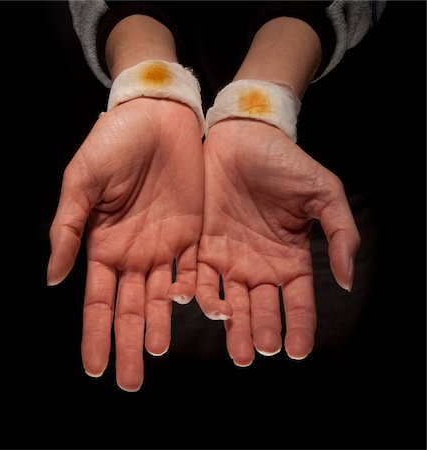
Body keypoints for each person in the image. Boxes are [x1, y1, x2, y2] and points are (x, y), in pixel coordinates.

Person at [48, 1, 386, 392]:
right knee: (162, 352)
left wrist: (263, 102)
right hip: (146, 207)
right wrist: (150, 87)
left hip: (298, 197)